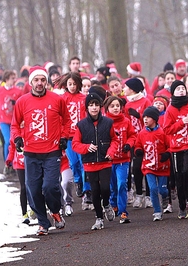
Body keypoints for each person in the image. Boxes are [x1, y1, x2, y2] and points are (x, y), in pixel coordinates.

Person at [11, 66, 71, 235]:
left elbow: (67, 120)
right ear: (31, 82)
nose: (39, 83)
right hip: (31, 152)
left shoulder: (57, 100)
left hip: (52, 150)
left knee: (50, 186)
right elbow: (15, 124)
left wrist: (64, 137)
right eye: (36, 80)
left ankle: (55, 211)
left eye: (42, 80)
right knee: (32, 187)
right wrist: (17, 138)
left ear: (47, 82)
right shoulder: (22, 101)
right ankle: (43, 223)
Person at [72, 92, 118, 230]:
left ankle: (107, 204)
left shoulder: (108, 122)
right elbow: (75, 144)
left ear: (101, 107)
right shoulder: (81, 125)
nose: (94, 108)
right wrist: (87, 147)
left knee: (105, 188)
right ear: (87, 108)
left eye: (96, 105)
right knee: (95, 191)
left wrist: (111, 152)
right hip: (89, 164)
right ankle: (99, 218)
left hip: (105, 161)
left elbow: (114, 140)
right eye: (91, 105)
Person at [163, 80, 188, 219]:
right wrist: (181, 123)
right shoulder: (170, 109)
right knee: (179, 176)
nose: (181, 90)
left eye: (182, 88)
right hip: (176, 147)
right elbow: (166, 129)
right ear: (173, 92)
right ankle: (181, 206)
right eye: (178, 88)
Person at [57, 72, 92, 212]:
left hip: (82, 136)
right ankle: (78, 181)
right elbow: (59, 118)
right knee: (74, 163)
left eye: (74, 84)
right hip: (69, 136)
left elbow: (89, 115)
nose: (72, 87)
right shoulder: (62, 99)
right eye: (69, 84)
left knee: (85, 163)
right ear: (66, 84)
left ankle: (87, 190)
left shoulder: (84, 98)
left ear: (79, 84)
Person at [104, 96, 136, 224]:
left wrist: (129, 144)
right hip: (109, 160)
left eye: (117, 105)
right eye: (112, 106)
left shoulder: (126, 121)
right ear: (107, 108)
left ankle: (123, 212)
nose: (116, 108)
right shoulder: (104, 122)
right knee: (112, 186)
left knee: (122, 183)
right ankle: (113, 204)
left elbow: (133, 135)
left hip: (123, 160)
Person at [135, 106, 170, 221]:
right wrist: (138, 151)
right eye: (144, 117)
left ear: (155, 119)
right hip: (148, 166)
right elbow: (138, 145)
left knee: (162, 190)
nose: (145, 119)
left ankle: (165, 197)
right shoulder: (141, 133)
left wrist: (167, 154)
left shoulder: (162, 132)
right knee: (153, 189)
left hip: (162, 166)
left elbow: (170, 146)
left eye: (148, 117)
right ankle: (157, 211)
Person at [124, 78, 152, 208]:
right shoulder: (127, 104)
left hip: (145, 138)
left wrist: (139, 116)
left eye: (126, 87)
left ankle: (149, 196)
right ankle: (139, 194)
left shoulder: (145, 101)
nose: (124, 89)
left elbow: (152, 117)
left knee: (147, 166)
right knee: (136, 168)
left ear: (133, 89)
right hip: (133, 139)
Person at [0, 70, 23, 174]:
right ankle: (8, 164)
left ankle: (14, 163)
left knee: (15, 141)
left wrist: (16, 103)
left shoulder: (18, 91)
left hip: (14, 120)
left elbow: (22, 103)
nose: (14, 80)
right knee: (8, 141)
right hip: (3, 120)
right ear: (7, 79)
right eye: (12, 78)